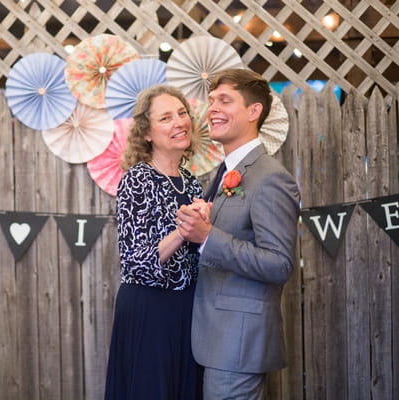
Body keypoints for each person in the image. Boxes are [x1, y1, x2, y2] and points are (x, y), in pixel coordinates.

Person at [177, 68, 300, 399]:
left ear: (254, 111)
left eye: (225, 100)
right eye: (212, 100)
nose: (212, 108)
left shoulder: (270, 177)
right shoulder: (226, 171)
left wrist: (207, 237)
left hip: (238, 342)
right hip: (216, 337)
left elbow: (279, 264)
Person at [104, 84, 204, 399]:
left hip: (189, 310)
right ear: (147, 133)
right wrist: (183, 230)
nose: (179, 122)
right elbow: (135, 262)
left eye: (182, 113)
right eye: (166, 118)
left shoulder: (191, 181)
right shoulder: (136, 180)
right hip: (149, 310)